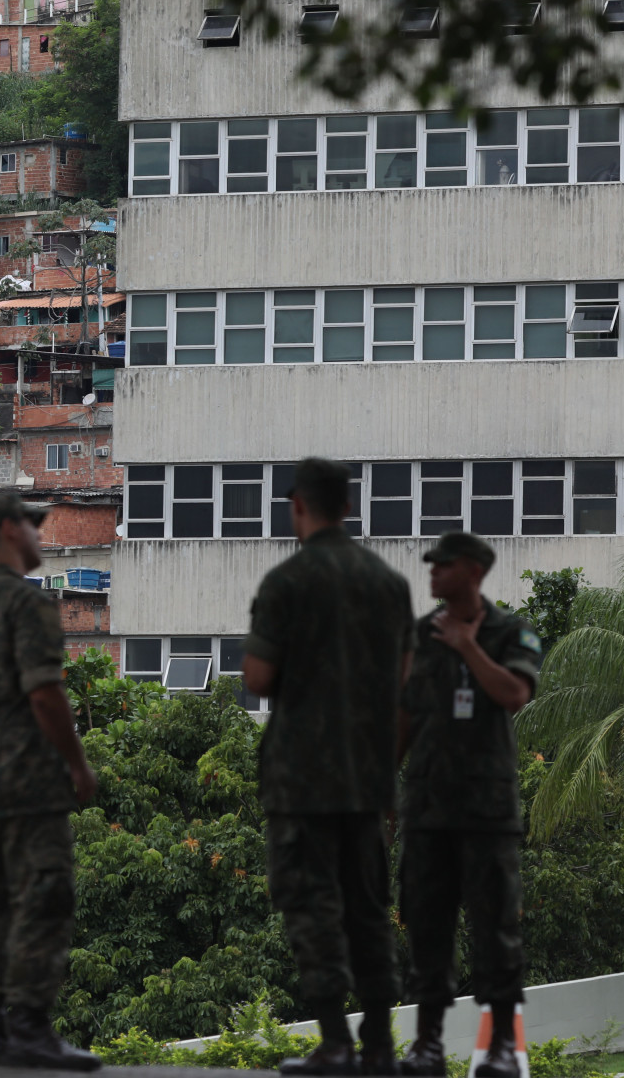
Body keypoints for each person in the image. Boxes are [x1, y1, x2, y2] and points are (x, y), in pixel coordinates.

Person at [240, 458, 413, 1077]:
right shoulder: (389, 585)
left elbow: (258, 677)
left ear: (298, 506)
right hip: (365, 777)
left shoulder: (288, 582)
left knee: (311, 904)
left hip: (301, 777)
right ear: (346, 506)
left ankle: (335, 1042)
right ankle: (381, 1045)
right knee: (367, 906)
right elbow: (404, 689)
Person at [0, 492, 100, 1071]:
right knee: (45, 894)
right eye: (34, 526)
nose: (40, 537)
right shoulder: (25, 605)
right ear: (9, 530)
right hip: (23, 775)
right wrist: (77, 763)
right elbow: (43, 691)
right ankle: (30, 1025)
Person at [396, 532, 541, 1078]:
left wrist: (466, 645)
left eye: (444, 564)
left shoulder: (512, 632)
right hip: (428, 806)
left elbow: (514, 694)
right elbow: (404, 714)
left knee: (495, 926)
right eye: (430, 565)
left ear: (475, 570)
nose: (432, 572)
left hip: (487, 809)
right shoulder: (420, 634)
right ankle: (428, 1044)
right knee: (427, 926)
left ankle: (502, 1044)